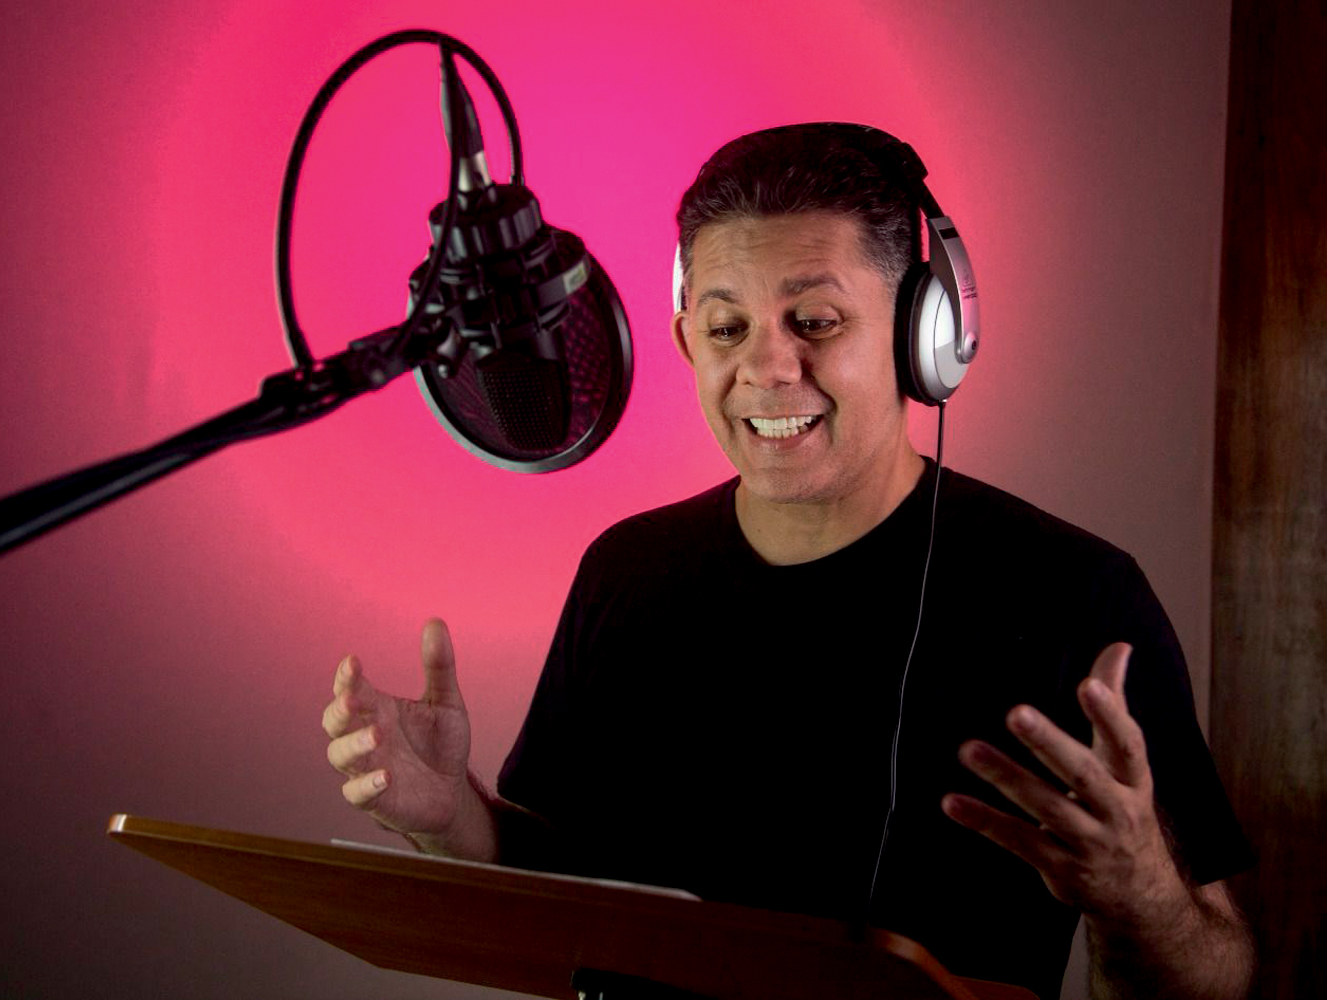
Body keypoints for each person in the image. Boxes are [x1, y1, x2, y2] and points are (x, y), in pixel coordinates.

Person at [322, 124, 1254, 1000]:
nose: (767, 369)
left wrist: (1141, 899)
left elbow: (1221, 977)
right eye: (727, 329)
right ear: (686, 342)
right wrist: (452, 819)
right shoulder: (627, 572)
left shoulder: (1074, 595)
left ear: (924, 337)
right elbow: (567, 885)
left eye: (813, 320)